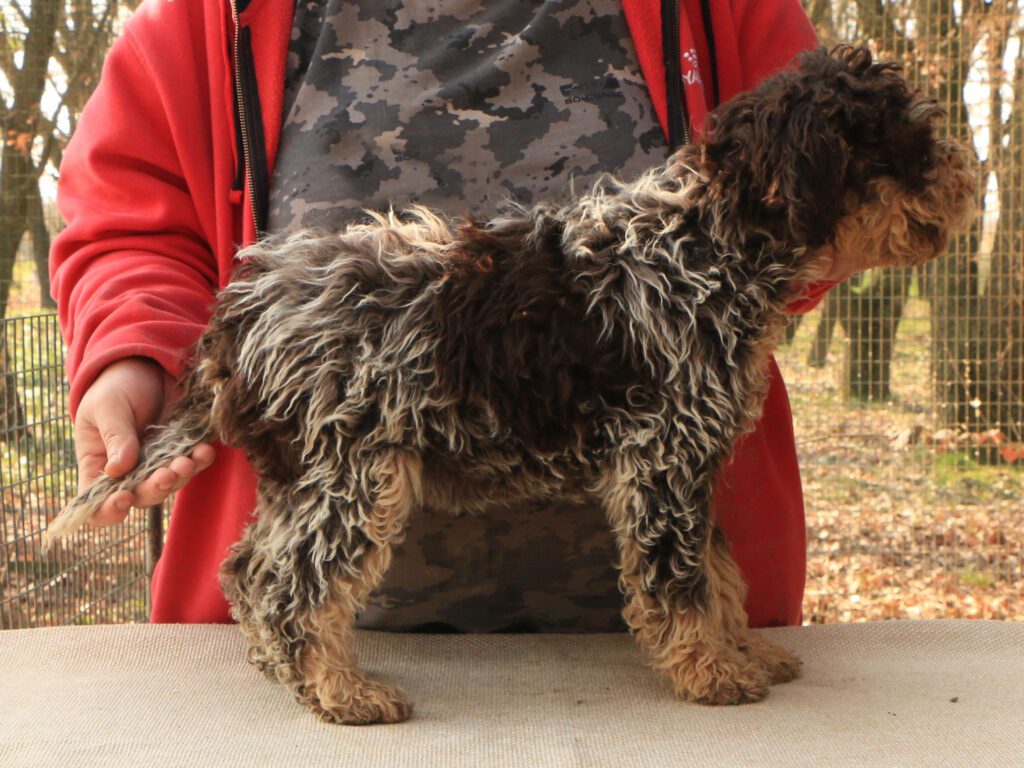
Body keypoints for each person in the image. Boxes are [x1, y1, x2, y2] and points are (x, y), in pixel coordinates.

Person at [52, 0, 860, 631]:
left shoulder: (724, 10)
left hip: (665, 667)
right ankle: (297, 629)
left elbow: (819, 196)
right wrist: (134, 352)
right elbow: (128, 227)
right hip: (316, 654)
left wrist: (837, 228)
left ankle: (686, 624)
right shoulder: (206, 19)